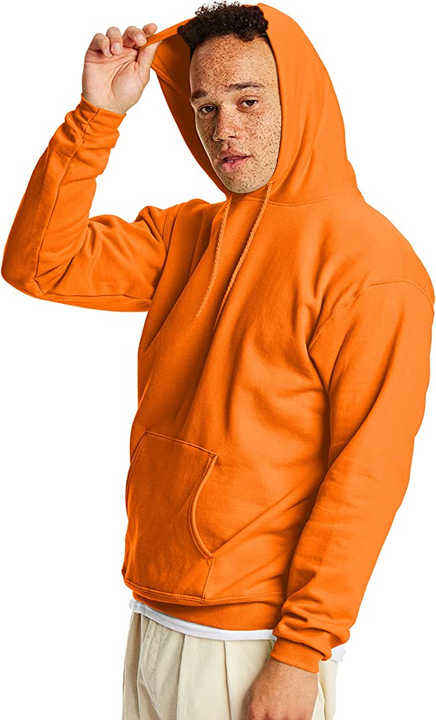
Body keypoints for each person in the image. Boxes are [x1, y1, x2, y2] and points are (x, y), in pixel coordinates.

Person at [2, 2, 434, 719]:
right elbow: (38, 263)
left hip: (252, 645)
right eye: (204, 106)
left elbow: (367, 473)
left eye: (248, 100)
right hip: (154, 614)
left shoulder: (371, 266)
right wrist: (96, 117)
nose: (223, 127)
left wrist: (300, 654)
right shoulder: (188, 235)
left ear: (299, 99)